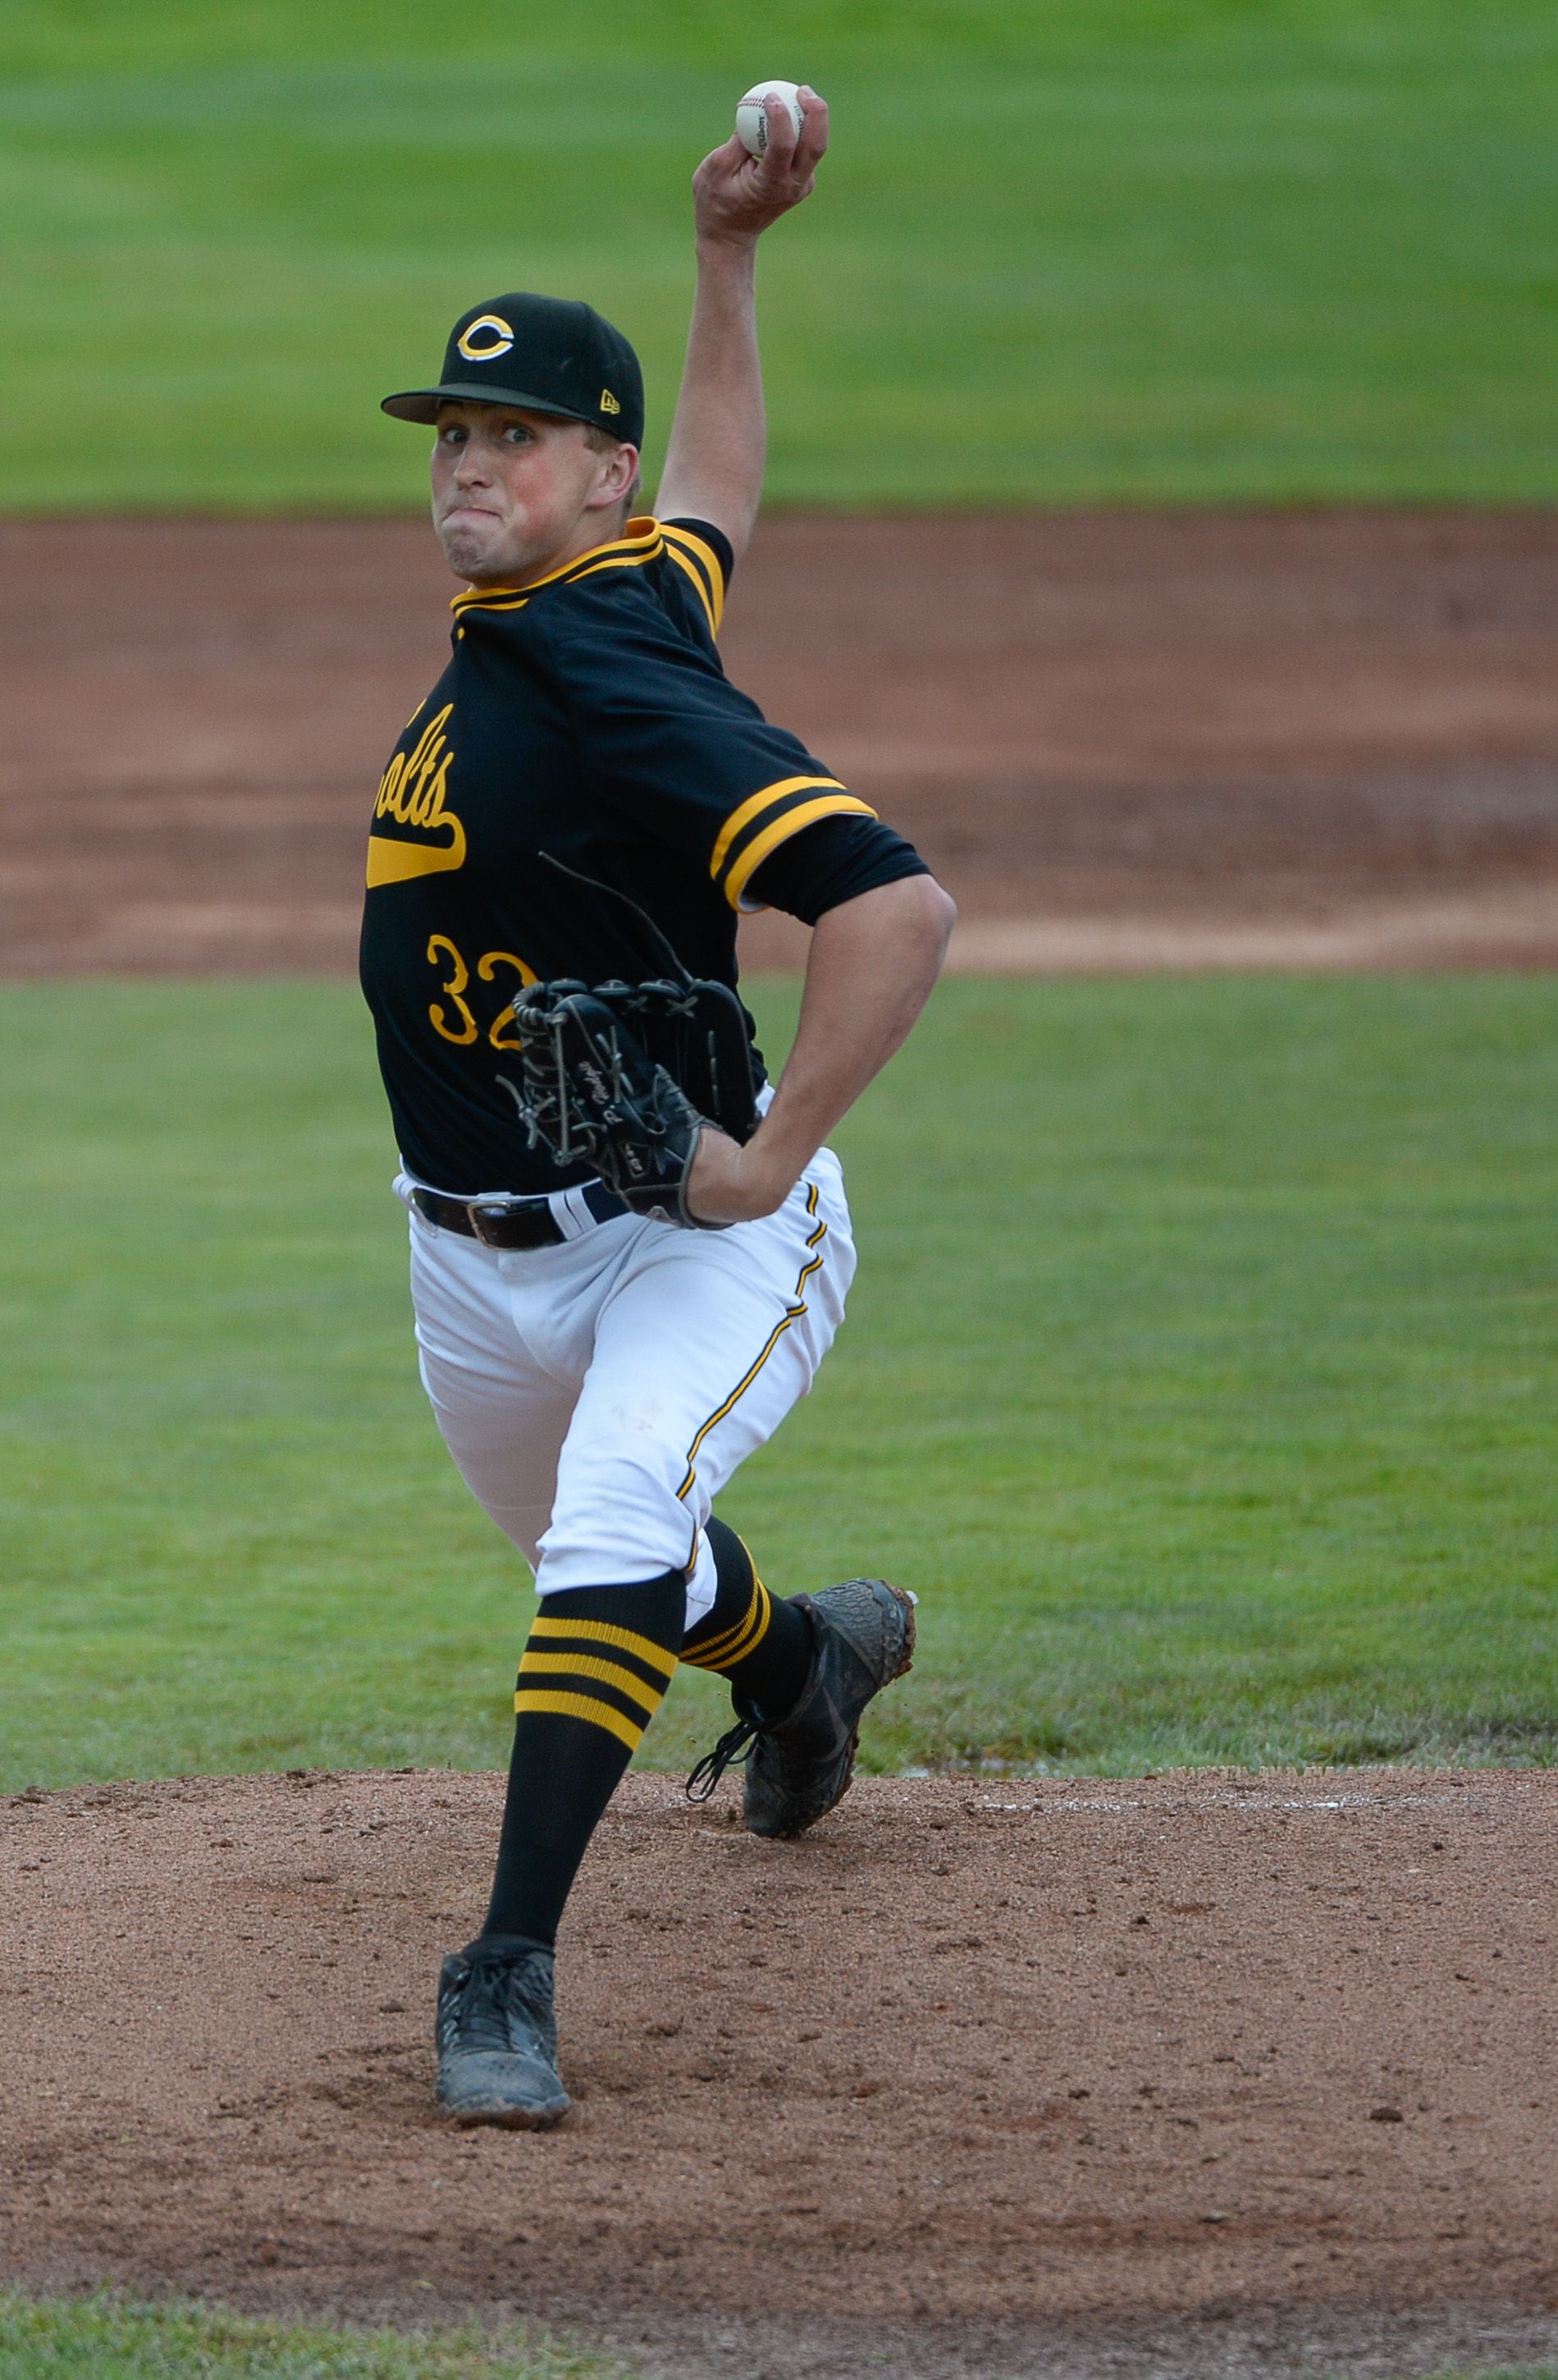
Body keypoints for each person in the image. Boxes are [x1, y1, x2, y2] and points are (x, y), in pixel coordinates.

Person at [363, 90, 955, 2127]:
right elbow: (715, 491)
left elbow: (891, 904)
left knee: (607, 1535)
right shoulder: (614, 597)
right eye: (453, 433)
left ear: (583, 475)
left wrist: (767, 1158)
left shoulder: (609, 670)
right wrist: (723, 257)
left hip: (683, 1234)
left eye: (512, 438)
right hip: (466, 1256)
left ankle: (502, 1968)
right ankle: (800, 1664)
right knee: (610, 1566)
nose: (469, 462)